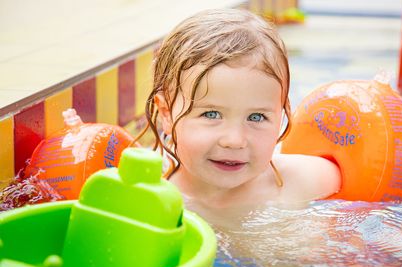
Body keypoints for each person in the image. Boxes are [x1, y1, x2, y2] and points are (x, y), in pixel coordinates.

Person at [135, 8, 340, 226]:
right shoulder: (146, 193)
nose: (235, 140)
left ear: (281, 113)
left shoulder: (302, 181)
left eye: (257, 117)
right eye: (211, 114)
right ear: (166, 113)